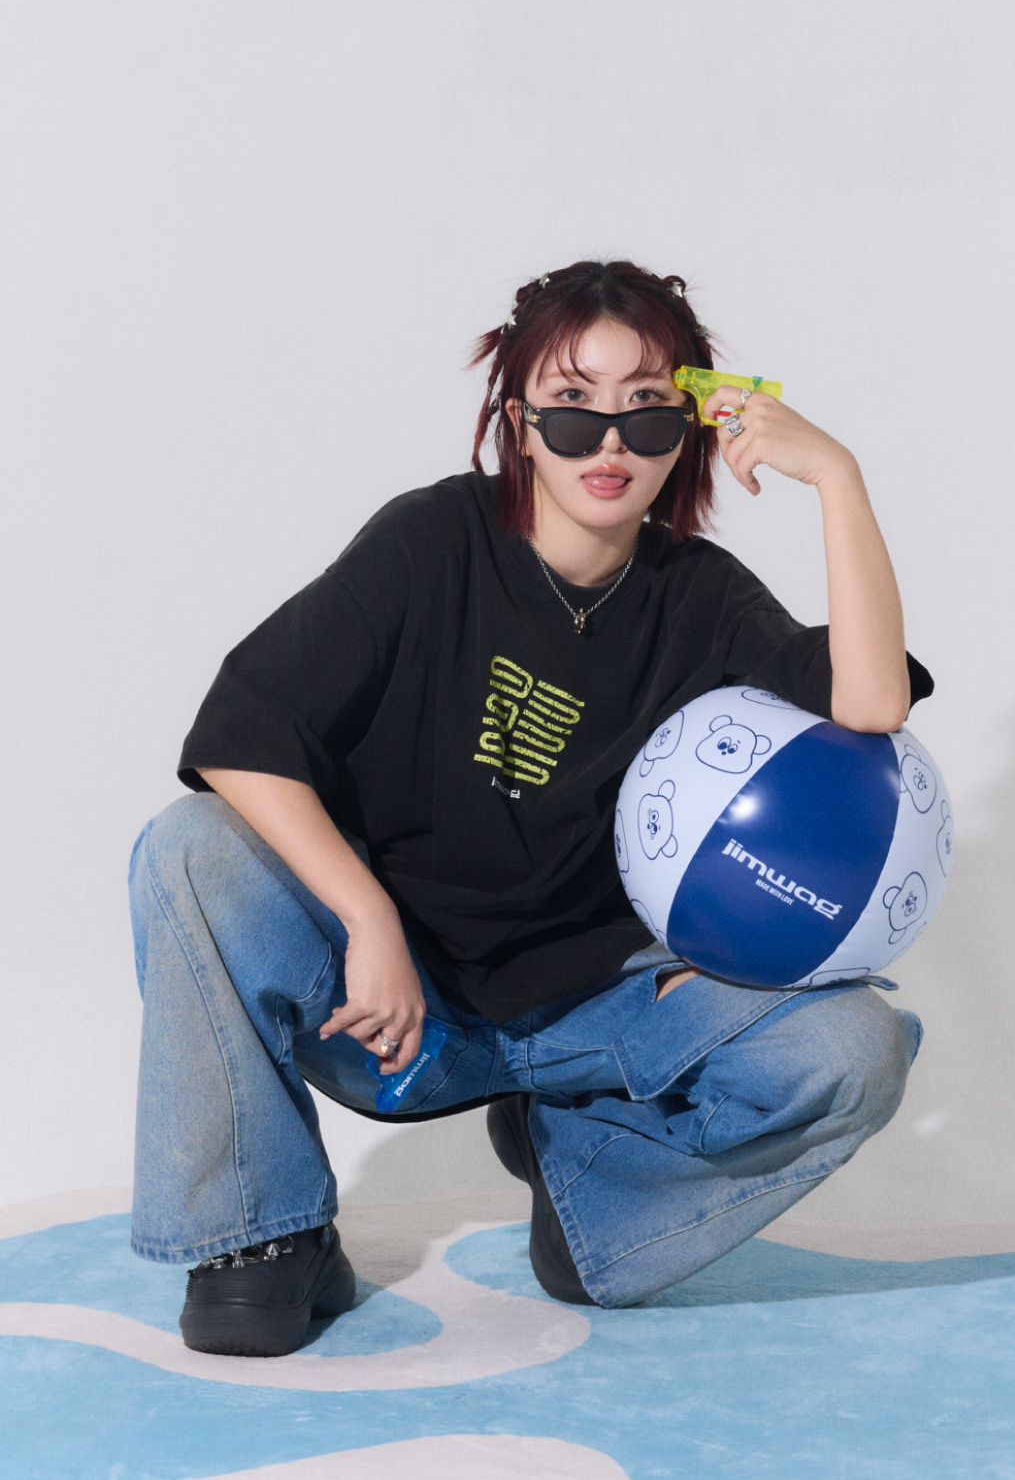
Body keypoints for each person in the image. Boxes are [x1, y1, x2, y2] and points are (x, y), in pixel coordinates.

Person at [128, 259, 932, 1356]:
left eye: (648, 413)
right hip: (394, 1008)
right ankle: (262, 1238)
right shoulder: (433, 542)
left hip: (598, 1012)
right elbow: (243, 733)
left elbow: (871, 702)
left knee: (853, 1049)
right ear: (519, 423)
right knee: (190, 849)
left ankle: (596, 1194)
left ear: (691, 428)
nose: (611, 444)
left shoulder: (700, 596)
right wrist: (368, 919)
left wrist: (838, 477)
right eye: (572, 408)